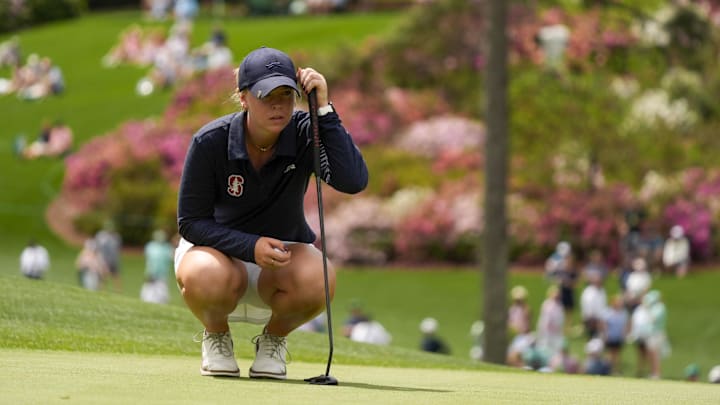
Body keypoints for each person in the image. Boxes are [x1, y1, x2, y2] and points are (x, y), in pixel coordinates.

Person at [174, 47, 368, 379]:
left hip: (283, 263)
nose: (278, 106)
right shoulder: (211, 142)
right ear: (244, 97)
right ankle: (217, 335)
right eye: (267, 96)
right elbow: (190, 222)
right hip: (220, 259)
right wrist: (250, 246)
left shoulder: (307, 131)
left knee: (320, 277)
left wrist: (324, 110)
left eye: (286, 95)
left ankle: (273, 341)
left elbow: (352, 180)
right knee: (205, 272)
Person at [140, 229, 174, 304]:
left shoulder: (167, 247)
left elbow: (172, 257)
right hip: (150, 275)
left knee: (162, 298)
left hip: (162, 276)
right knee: (147, 296)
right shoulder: (150, 246)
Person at [602, 294, 629, 375]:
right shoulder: (608, 312)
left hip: (619, 336)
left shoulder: (623, 313)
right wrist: (605, 334)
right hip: (610, 336)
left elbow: (626, 324)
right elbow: (604, 324)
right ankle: (608, 370)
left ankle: (616, 370)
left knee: (617, 354)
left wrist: (625, 334)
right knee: (610, 354)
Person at [95, 220, 122, 291]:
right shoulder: (101, 236)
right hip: (104, 259)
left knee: (116, 274)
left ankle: (118, 289)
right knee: (103, 274)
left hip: (113, 259)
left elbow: (117, 248)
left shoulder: (116, 237)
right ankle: (101, 288)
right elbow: (99, 247)